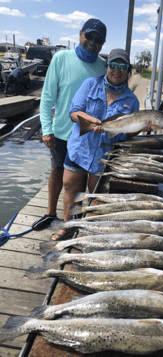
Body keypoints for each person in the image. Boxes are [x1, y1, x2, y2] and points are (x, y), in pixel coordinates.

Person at [51, 48, 150, 241]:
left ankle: (86, 233)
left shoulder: (132, 100)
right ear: (107, 67)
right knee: (71, 188)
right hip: (79, 148)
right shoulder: (90, 84)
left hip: (104, 157)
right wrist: (91, 120)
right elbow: (74, 112)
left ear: (128, 71)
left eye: (122, 67)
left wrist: (141, 128)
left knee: (95, 197)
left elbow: (124, 136)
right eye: (113, 65)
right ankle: (68, 227)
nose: (117, 70)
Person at [32, 18, 107, 231]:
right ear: (80, 33)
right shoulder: (61, 58)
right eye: (89, 36)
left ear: (103, 44)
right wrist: (47, 129)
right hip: (62, 132)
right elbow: (47, 97)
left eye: (98, 40)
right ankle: (50, 213)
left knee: (80, 179)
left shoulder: (103, 67)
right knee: (56, 171)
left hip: (87, 136)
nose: (92, 42)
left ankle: (75, 220)